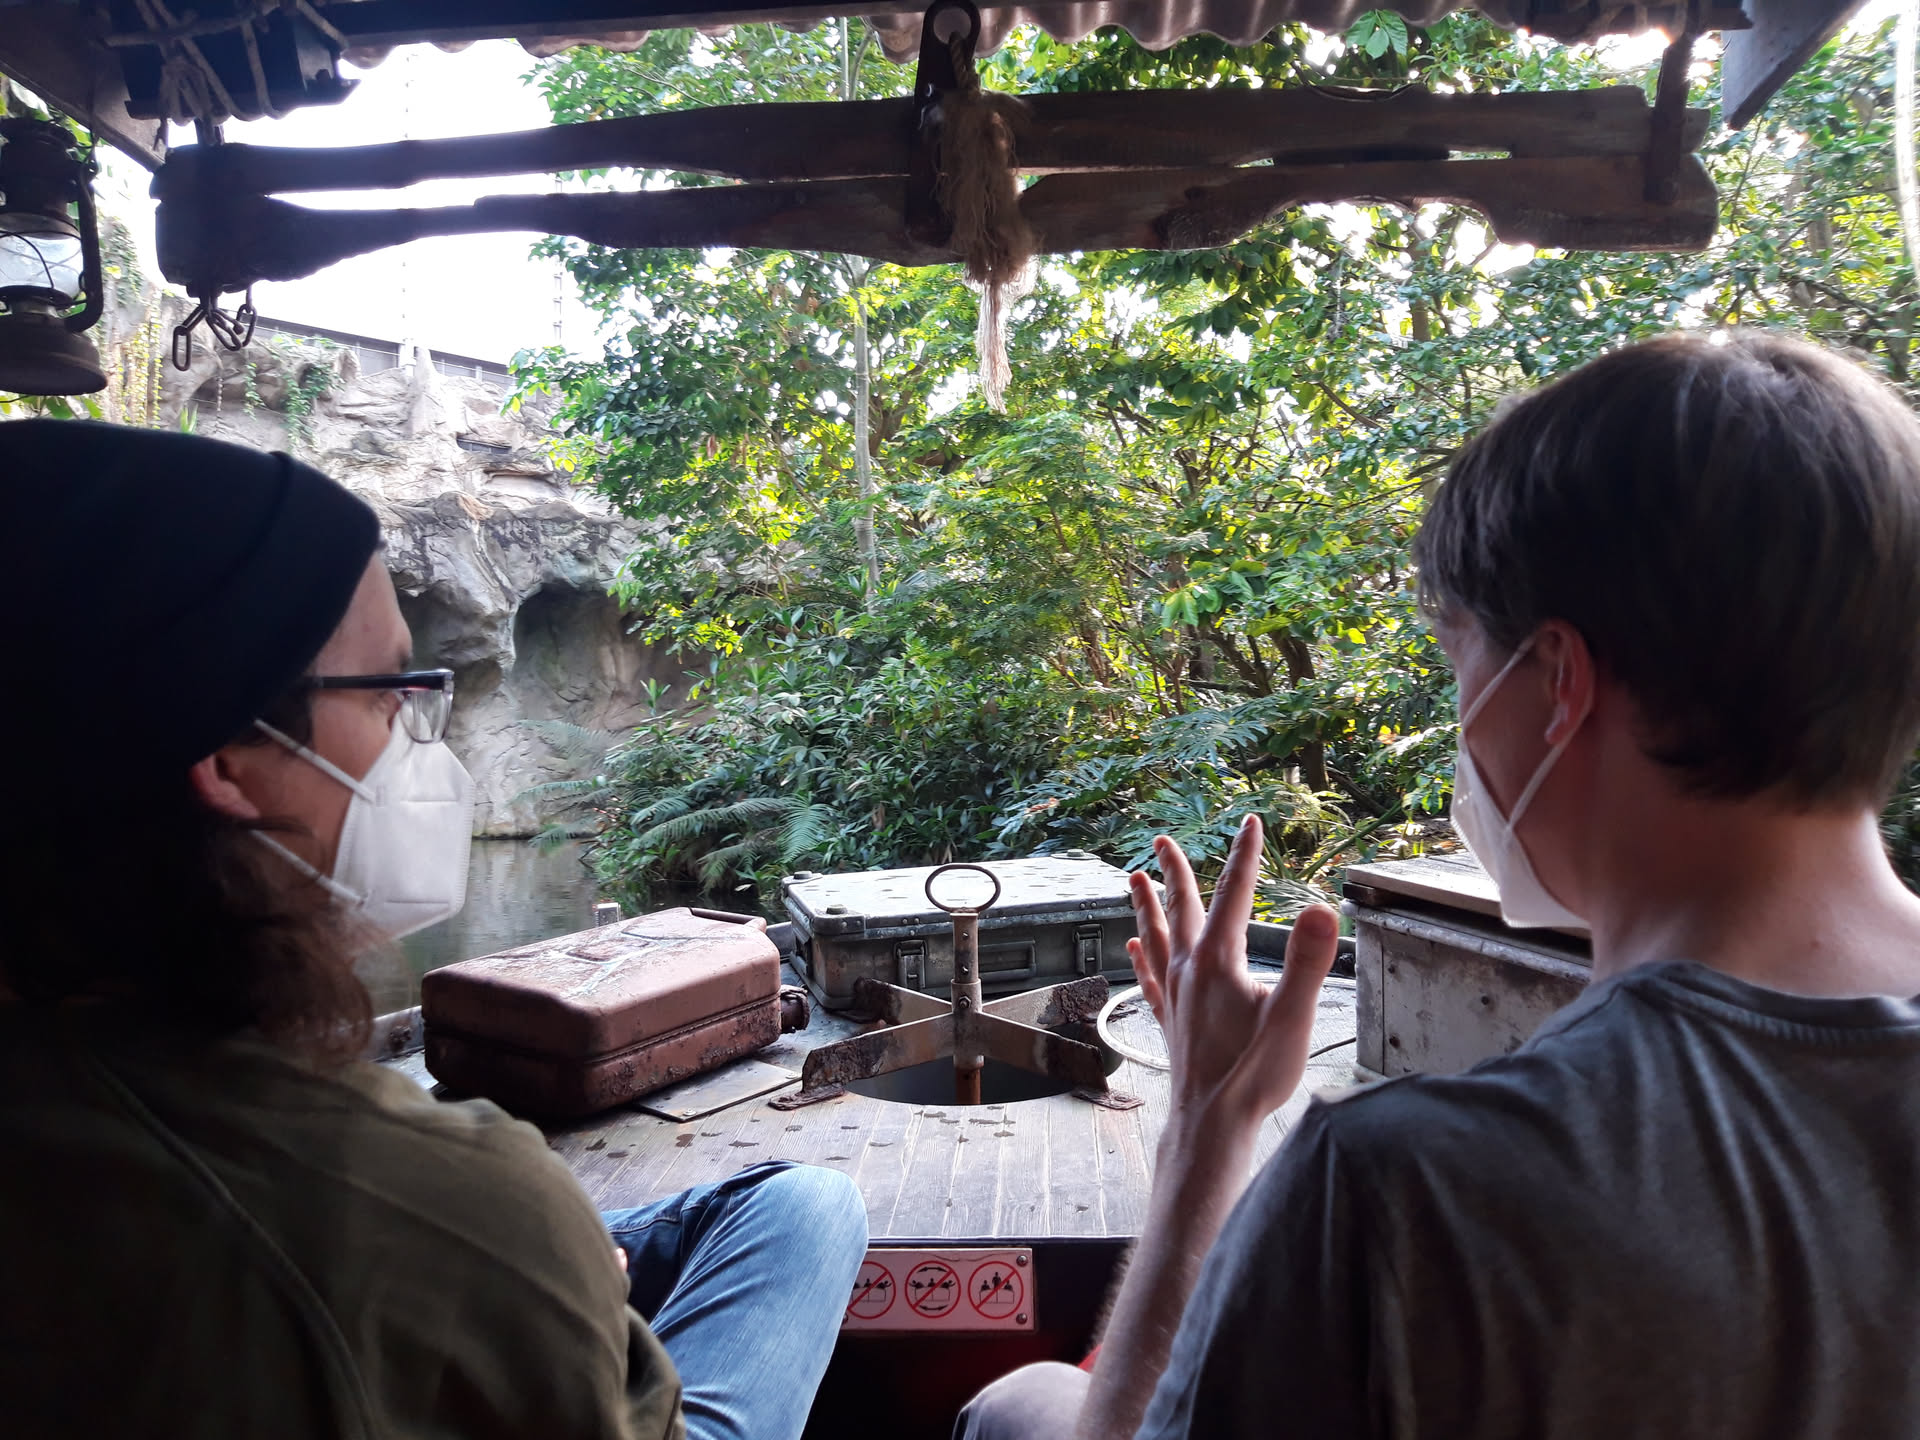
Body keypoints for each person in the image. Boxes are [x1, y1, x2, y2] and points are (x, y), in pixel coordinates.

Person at [959, 330, 1920, 1439]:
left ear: (1557, 680)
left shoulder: (1406, 1189)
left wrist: (1205, 1133)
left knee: (1022, 1403)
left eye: (1460, 660)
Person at [0, 420, 867, 1440]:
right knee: (810, 1210)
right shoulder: (421, 1201)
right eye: (389, 697)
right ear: (227, 758)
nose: (424, 742)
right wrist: (550, 1277)